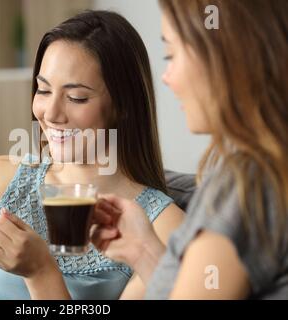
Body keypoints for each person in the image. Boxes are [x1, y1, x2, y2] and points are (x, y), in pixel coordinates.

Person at [0, 10, 185, 300]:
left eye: (76, 97)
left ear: (123, 105)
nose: (51, 114)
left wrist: (42, 273)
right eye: (43, 91)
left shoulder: (161, 228)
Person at [90, 0, 287, 299]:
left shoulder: (247, 183)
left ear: (227, 55)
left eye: (171, 55)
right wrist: (143, 250)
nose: (167, 78)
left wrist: (41, 275)